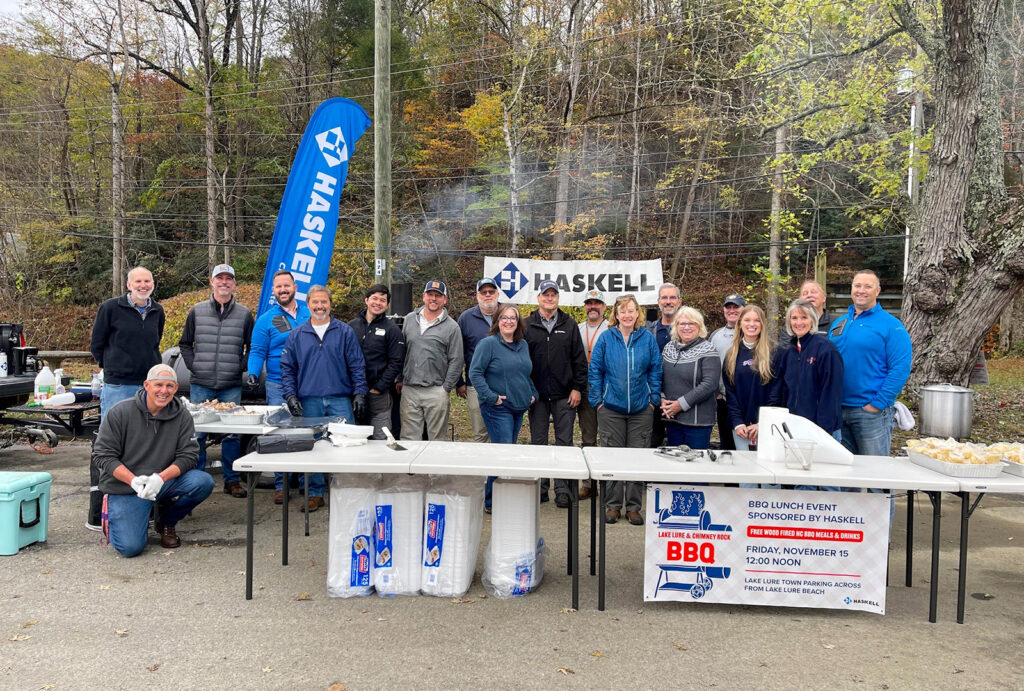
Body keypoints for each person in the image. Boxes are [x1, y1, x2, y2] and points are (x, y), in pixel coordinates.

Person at [92, 364, 213, 557]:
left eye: (169, 386)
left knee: (202, 482)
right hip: (128, 485)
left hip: (162, 481)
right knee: (130, 548)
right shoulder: (120, 412)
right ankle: (124, 515)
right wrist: (132, 480)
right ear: (146, 385)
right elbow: (102, 455)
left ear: (175, 388)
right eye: (158, 385)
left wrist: (160, 478)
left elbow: (189, 456)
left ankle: (167, 520)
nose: (164, 391)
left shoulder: (182, 415)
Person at [87, 265, 166, 531]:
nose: (144, 285)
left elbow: (155, 342)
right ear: (129, 284)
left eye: (148, 281)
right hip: (118, 384)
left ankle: (144, 503)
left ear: (153, 284)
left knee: (146, 440)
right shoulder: (111, 308)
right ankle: (103, 509)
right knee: (112, 441)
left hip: (147, 386)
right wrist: (113, 366)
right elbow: (97, 344)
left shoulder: (158, 310)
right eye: (138, 281)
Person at [280, 285, 368, 512]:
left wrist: (359, 393)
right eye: (315, 303)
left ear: (330, 304)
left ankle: (347, 489)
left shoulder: (344, 331)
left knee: (348, 445)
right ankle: (315, 493)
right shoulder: (297, 334)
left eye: (324, 302)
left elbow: (357, 364)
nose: (320, 306)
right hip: (309, 401)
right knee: (313, 448)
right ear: (308, 305)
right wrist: (290, 395)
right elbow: (287, 368)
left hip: (340, 399)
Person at [178, 263, 254, 499]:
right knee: (198, 434)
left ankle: (231, 481)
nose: (224, 282)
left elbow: (252, 348)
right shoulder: (197, 311)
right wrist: (194, 365)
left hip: (231, 385)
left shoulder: (244, 313)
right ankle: (198, 479)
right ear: (212, 282)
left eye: (228, 279)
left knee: (232, 435)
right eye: (219, 278)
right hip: (202, 383)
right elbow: (185, 344)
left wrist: (238, 367)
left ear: (233, 284)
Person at [589, 294, 662, 526]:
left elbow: (655, 369)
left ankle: (633, 507)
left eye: (631, 310)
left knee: (636, 458)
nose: (627, 315)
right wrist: (598, 401)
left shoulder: (647, 338)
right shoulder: (606, 338)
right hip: (611, 408)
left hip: (642, 408)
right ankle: (612, 505)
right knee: (612, 456)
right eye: (623, 311)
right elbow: (595, 371)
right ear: (616, 314)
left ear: (637, 313)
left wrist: (653, 399)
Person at [828, 270, 912, 457]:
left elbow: (900, 368)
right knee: (846, 475)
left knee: (877, 475)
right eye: (857, 285)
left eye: (868, 286)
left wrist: (878, 404)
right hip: (837, 411)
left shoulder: (891, 326)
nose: (861, 290)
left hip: (870, 412)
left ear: (878, 291)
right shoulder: (839, 324)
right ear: (851, 289)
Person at [246, 270, 311, 504]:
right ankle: (281, 485)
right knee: (280, 433)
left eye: (287, 285)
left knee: (306, 432)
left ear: (294, 287)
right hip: (277, 383)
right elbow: (257, 350)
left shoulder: (309, 312)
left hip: (308, 382)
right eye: (278, 287)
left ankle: (306, 485)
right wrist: (253, 373)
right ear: (273, 291)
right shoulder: (265, 319)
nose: (283, 290)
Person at [523, 280, 588, 508]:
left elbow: (579, 359)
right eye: (545, 295)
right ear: (538, 298)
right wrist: (528, 391)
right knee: (538, 443)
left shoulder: (569, 324)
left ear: (558, 298)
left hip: (564, 395)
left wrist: (578, 387)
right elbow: (522, 362)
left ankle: (562, 490)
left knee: (564, 444)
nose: (549, 298)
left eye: (553, 295)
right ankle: (540, 489)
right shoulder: (527, 325)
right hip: (537, 396)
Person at [469, 304, 538, 511]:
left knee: (507, 453)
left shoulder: (523, 345)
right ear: (497, 321)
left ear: (518, 323)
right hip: (498, 408)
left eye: (513, 318)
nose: (509, 321)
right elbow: (475, 373)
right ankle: (491, 500)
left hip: (519, 407)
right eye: (504, 318)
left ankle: (500, 495)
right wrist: (491, 397)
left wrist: (532, 393)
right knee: (503, 453)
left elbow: (525, 372)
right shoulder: (488, 344)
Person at [775, 299, 844, 491]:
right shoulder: (788, 351)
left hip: (822, 429)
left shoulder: (825, 349)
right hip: (796, 430)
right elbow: (784, 391)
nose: (798, 322)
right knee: (803, 486)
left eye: (803, 317)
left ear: (812, 320)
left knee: (828, 484)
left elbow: (832, 392)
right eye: (794, 318)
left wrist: (823, 430)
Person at [399, 280, 463, 441]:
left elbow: (456, 360)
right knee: (409, 439)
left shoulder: (452, 327)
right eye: (430, 295)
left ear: (445, 299)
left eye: (438, 296)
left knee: (436, 440)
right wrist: (399, 379)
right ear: (423, 297)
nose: (433, 299)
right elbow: (401, 352)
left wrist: (446, 389)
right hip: (410, 390)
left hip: (436, 391)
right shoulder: (409, 320)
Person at [348, 284, 406, 441]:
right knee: (355, 439)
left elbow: (396, 362)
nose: (378, 303)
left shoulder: (392, 330)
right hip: (352, 393)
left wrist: (379, 387)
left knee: (381, 439)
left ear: (387, 305)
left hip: (379, 395)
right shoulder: (351, 326)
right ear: (366, 300)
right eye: (374, 298)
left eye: (383, 300)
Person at [660, 307, 722, 450]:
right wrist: (662, 398)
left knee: (695, 466)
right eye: (682, 324)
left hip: (697, 422)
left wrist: (680, 405)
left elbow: (709, 384)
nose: (686, 327)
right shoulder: (668, 348)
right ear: (676, 326)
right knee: (674, 464)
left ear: (699, 326)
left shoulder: (708, 349)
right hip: (672, 419)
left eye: (691, 323)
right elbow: (660, 376)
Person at [722, 304, 777, 451]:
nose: (751, 324)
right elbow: (730, 393)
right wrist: (738, 423)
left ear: (762, 324)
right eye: (747, 320)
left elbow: (777, 393)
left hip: (768, 426)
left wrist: (762, 423)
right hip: (741, 429)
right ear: (740, 324)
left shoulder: (776, 352)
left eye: (756, 320)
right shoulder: (731, 355)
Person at [456, 277, 501, 443]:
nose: (488, 295)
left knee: (503, 432)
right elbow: (458, 352)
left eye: (491, 291)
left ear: (497, 293)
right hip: (476, 384)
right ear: (477, 295)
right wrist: (459, 382)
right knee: (480, 433)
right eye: (484, 292)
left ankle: (500, 468)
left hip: (504, 384)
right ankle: (482, 469)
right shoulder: (466, 318)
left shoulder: (508, 314)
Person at [575, 289, 608, 499]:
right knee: (588, 437)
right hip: (584, 387)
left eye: (597, 303)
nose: (593, 306)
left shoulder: (611, 329)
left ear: (604, 307)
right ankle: (588, 483)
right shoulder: (577, 329)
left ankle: (607, 483)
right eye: (589, 303)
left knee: (607, 437)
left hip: (606, 389)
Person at [708, 294, 745, 451]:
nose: (732, 311)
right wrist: (715, 391)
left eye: (735, 307)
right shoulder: (715, 335)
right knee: (727, 443)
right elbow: (709, 365)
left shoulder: (751, 333)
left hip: (745, 398)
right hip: (723, 398)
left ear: (743, 309)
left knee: (745, 442)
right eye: (728, 307)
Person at [780, 280, 833, 349]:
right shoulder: (792, 325)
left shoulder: (836, 323)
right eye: (805, 293)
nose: (809, 295)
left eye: (813, 292)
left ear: (824, 297)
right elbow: (785, 350)